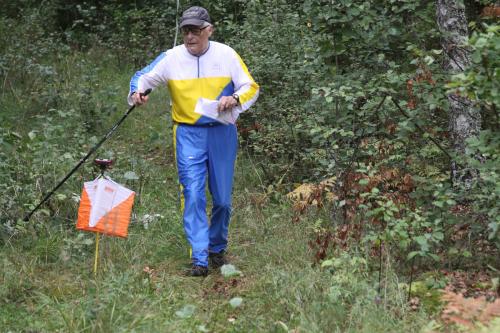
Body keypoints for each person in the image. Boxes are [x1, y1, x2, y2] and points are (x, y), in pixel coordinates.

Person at [127, 6, 259, 276]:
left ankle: (216, 248)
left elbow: (251, 87)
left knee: (222, 199)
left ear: (209, 30)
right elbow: (142, 78)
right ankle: (199, 258)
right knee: (193, 193)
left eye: (196, 30)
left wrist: (234, 99)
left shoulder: (227, 54)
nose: (190, 36)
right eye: (186, 30)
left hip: (222, 132)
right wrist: (137, 93)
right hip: (187, 133)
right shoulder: (171, 58)